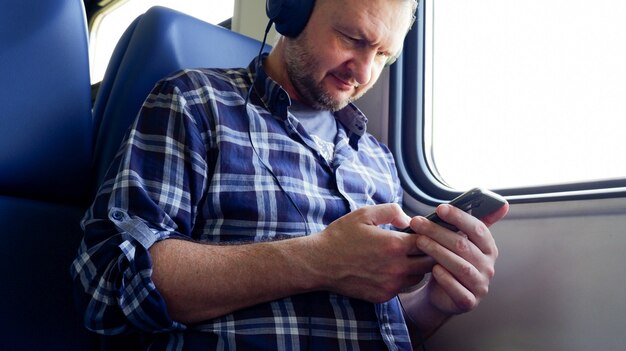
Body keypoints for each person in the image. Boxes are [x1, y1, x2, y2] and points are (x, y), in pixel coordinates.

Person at [72, 0, 509, 350]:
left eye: (383, 55)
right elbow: (107, 288)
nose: (363, 72)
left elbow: (383, 329)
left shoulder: (377, 159)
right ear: (291, 9)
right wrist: (320, 260)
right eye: (353, 38)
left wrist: (434, 304)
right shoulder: (194, 103)